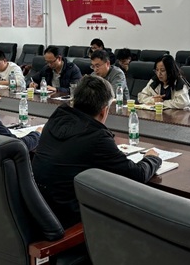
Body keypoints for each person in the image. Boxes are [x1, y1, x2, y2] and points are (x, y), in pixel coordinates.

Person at [32, 75, 161, 228]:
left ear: (74, 101)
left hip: (38, 212)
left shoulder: (56, 118)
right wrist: (151, 158)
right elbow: (137, 175)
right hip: (68, 221)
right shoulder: (96, 136)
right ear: (104, 110)